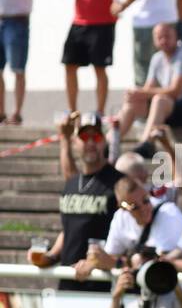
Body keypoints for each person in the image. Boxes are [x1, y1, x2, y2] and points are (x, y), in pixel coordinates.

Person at [27, 111, 118, 293]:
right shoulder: (73, 183)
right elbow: (70, 228)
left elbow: (133, 232)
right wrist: (50, 256)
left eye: (96, 136)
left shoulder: (118, 183)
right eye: (84, 136)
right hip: (68, 283)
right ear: (76, 142)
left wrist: (103, 261)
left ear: (104, 141)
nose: (90, 142)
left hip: (102, 286)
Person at [75, 176, 182, 279]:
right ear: (122, 208)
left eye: (145, 200)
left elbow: (163, 265)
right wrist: (93, 262)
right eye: (134, 207)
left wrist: (119, 263)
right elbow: (111, 256)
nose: (144, 209)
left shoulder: (169, 214)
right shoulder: (120, 216)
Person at [115, 22, 182, 138]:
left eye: (167, 36)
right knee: (133, 103)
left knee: (159, 100)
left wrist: (141, 93)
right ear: (154, 39)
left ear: (176, 37)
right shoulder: (157, 58)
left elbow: (175, 92)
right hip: (169, 110)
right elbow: (147, 90)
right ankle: (109, 142)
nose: (164, 41)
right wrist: (135, 94)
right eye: (160, 37)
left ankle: (146, 143)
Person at [0, 0, 39, 126]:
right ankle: (1, 113)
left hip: (17, 21)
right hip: (0, 20)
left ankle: (17, 112)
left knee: (17, 69)